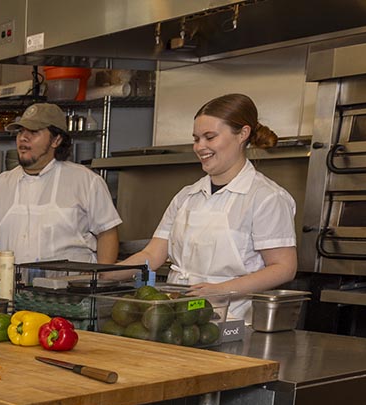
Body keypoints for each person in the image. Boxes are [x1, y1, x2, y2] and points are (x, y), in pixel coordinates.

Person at [118, 93, 297, 321]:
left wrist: (222, 290)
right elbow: (153, 255)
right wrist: (102, 275)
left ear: (243, 134)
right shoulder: (187, 196)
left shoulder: (266, 197)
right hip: (177, 316)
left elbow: (283, 267)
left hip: (231, 318)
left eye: (209, 137)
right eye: (196, 138)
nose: (200, 146)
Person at [0, 102, 121, 265]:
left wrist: (101, 280)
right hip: (10, 287)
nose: (23, 137)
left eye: (33, 132)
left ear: (56, 140)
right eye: (21, 131)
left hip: (69, 287)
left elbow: (107, 233)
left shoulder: (86, 181)